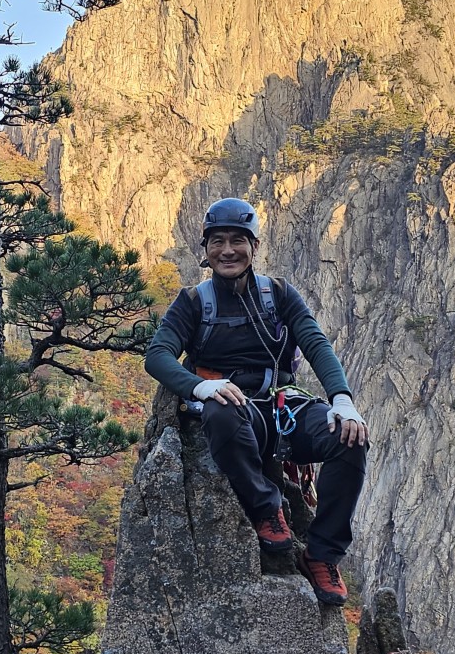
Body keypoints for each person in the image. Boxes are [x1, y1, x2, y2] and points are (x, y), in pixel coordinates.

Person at [144, 197, 368, 607]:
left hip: (282, 405)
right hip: (232, 405)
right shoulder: (193, 302)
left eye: (237, 241)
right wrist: (200, 387)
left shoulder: (280, 294)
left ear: (254, 247)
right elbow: (157, 355)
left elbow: (314, 342)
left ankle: (322, 554)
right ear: (205, 249)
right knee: (221, 413)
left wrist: (342, 400)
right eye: (217, 241)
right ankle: (267, 509)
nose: (227, 250)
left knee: (349, 437)